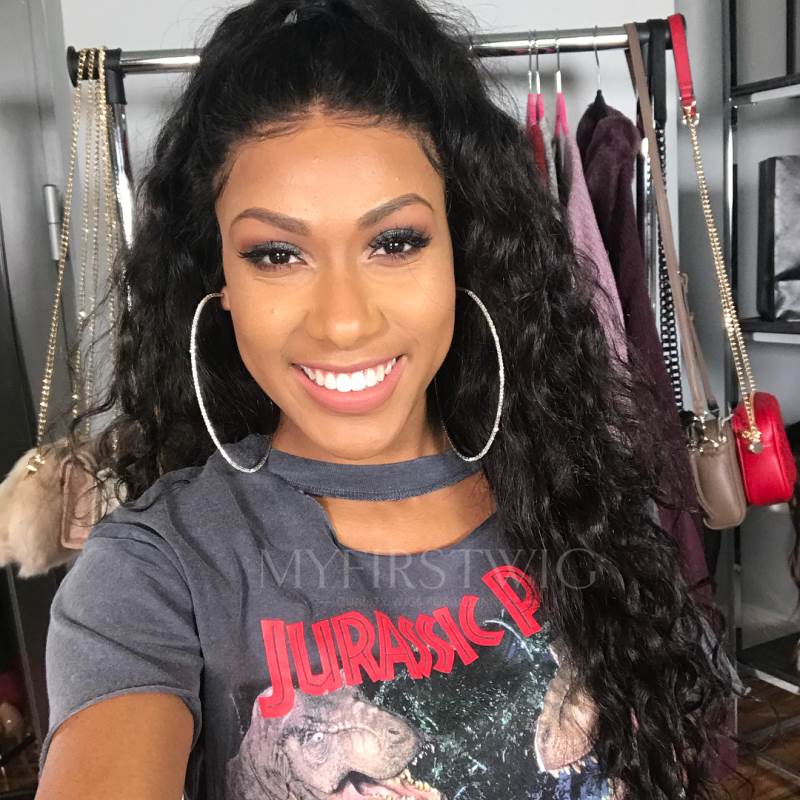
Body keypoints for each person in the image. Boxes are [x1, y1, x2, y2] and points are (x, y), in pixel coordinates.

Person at [35, 1, 743, 798]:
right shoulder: (155, 572)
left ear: (460, 251)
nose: (344, 321)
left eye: (395, 242)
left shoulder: (582, 496)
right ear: (220, 279)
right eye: (277, 254)